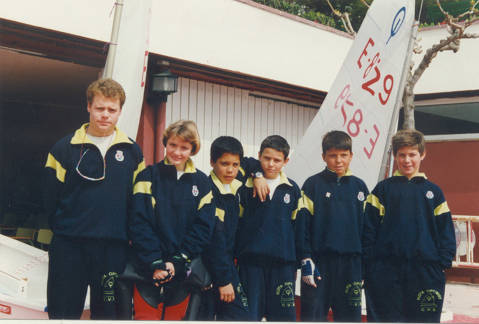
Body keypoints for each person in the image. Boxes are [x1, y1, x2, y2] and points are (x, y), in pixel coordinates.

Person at [43, 78, 145, 319]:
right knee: (62, 314)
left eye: (112, 110)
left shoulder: (132, 152)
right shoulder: (63, 148)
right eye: (100, 108)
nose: (105, 115)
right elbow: (49, 200)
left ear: (120, 111)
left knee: (108, 316)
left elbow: (137, 204)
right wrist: (67, 231)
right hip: (69, 248)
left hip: (112, 250)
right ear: (88, 107)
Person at [362, 129, 456, 323]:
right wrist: (370, 265)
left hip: (425, 270)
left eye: (412, 155)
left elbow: (445, 230)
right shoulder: (382, 190)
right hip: (385, 271)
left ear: (422, 154)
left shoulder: (433, 192)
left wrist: (442, 262)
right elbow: (368, 230)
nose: (407, 160)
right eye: (402, 155)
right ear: (395, 156)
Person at [129, 120, 216, 320]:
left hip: (181, 269)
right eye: (173, 145)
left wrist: (178, 260)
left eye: (184, 147)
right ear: (165, 144)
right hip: (148, 268)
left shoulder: (202, 183)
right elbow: (139, 222)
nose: (177, 152)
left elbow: (203, 227)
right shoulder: (148, 176)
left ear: (193, 149)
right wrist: (155, 262)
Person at [295, 130, 369, 322]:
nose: (338, 160)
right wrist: (305, 259)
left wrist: (364, 267)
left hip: (351, 267)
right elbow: (302, 226)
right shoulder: (312, 185)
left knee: (349, 319)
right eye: (333, 155)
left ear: (351, 156)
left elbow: (367, 231)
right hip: (319, 265)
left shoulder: (360, 188)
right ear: (323, 157)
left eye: (344, 155)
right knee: (312, 317)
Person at [236, 135, 301, 321]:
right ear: (259, 156)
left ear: (286, 161)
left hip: (283, 266)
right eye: (266, 158)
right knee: (248, 317)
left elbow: (298, 229)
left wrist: (296, 264)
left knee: (283, 318)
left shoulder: (293, 190)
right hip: (251, 265)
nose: (271, 164)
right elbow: (241, 159)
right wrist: (256, 175)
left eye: (277, 160)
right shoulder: (245, 186)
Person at [198, 136, 251, 321]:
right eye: (224, 163)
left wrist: (258, 176)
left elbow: (256, 162)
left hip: (227, 265)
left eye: (235, 164)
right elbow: (213, 241)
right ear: (212, 162)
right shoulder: (207, 190)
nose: (230, 170)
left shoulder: (235, 187)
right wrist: (223, 280)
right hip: (208, 269)